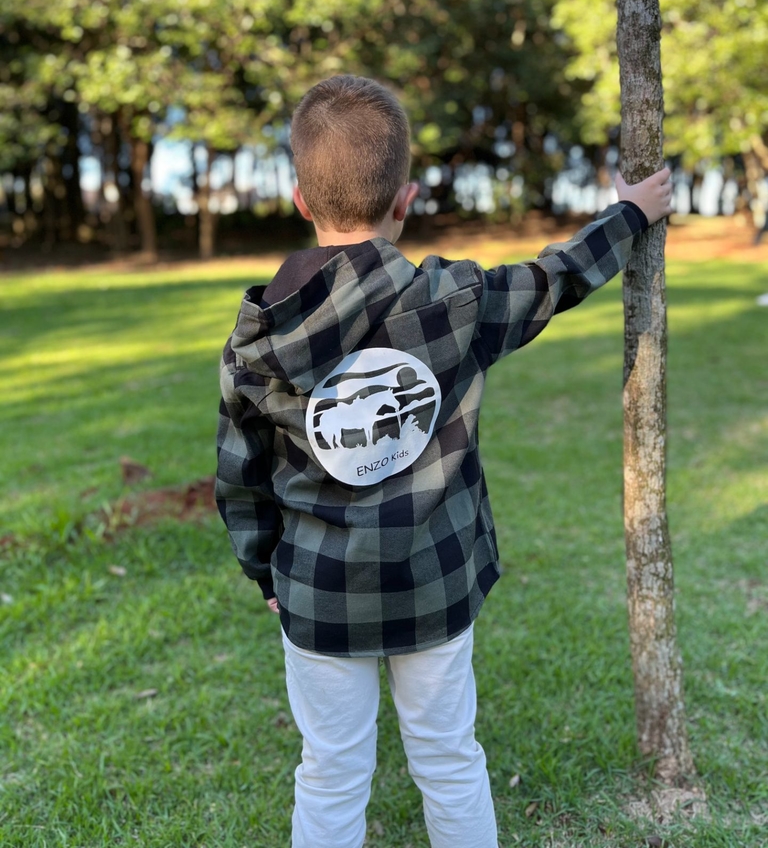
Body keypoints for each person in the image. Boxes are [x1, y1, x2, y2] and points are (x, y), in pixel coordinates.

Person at [215, 74, 673, 848]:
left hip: (318, 594)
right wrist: (631, 213)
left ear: (299, 198)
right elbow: (554, 279)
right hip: (432, 580)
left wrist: (266, 574)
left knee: (328, 770)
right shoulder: (454, 303)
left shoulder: (255, 342)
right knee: (449, 758)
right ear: (408, 198)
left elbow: (240, 477)